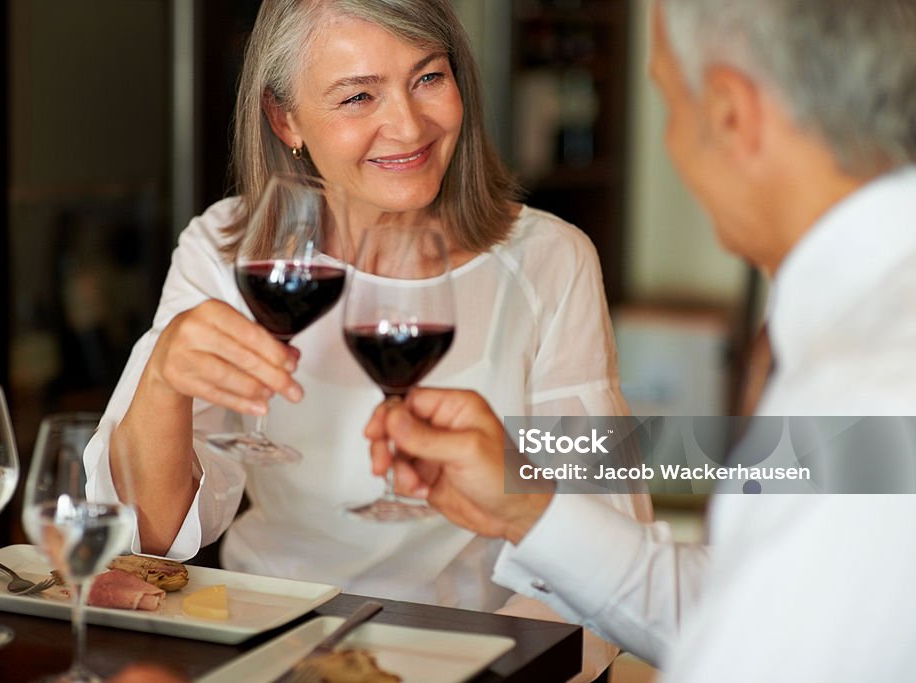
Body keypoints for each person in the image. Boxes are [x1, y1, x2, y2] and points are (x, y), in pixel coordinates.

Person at [84, 0, 649, 679]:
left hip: (477, 652)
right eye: (358, 95)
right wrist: (162, 382)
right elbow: (142, 543)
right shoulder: (225, 249)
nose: (408, 125)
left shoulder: (549, 260)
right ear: (284, 118)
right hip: (274, 646)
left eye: (428, 78)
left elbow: (605, 548)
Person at [366, 0, 916, 680]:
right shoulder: (869, 326)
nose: (669, 141)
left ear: (729, 113)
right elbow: (740, 612)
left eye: (668, 102)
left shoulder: (869, 378)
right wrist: (529, 508)